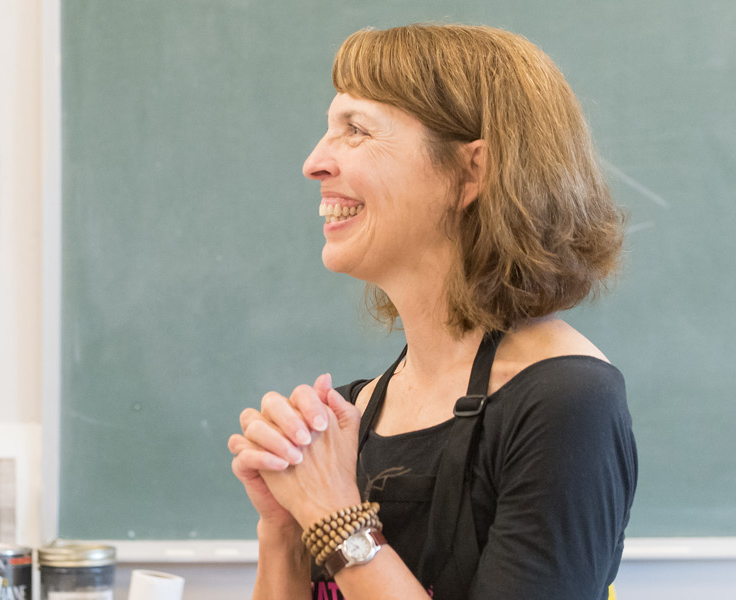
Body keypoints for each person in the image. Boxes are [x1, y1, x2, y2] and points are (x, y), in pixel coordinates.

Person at [226, 24, 637, 600]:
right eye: (328, 131)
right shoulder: (354, 410)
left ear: (472, 172)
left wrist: (335, 517)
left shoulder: (566, 402)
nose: (314, 162)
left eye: (357, 130)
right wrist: (285, 526)